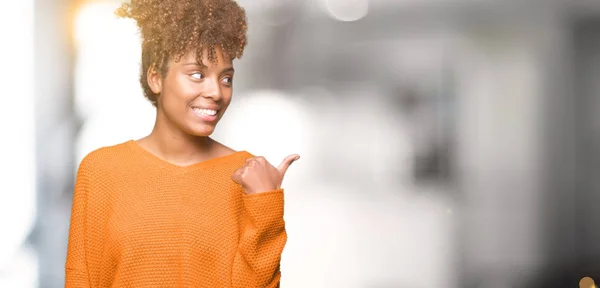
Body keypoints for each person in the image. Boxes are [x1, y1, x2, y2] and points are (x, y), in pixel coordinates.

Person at [64, 0, 299, 287]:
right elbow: (82, 279)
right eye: (197, 75)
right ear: (155, 78)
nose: (216, 92)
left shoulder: (247, 175)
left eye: (226, 78)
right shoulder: (101, 171)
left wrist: (264, 204)